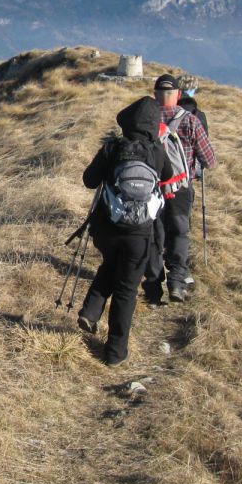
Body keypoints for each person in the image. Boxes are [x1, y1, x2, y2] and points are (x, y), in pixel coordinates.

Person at [77, 96, 173, 366]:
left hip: (108, 228)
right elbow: (167, 176)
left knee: (110, 263)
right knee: (126, 291)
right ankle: (115, 352)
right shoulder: (156, 152)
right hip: (140, 234)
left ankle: (91, 310)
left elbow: (88, 180)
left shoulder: (113, 148)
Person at [152, 73, 216, 302]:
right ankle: (177, 282)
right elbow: (209, 160)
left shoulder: (146, 119)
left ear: (154, 95)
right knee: (179, 231)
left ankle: (153, 281)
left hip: (152, 189)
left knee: (155, 232)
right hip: (180, 187)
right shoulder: (190, 120)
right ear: (178, 95)